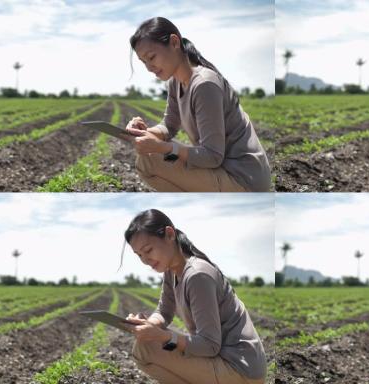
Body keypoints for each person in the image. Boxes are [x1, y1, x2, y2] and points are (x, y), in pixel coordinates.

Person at [126, 17, 271, 192]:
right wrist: (145, 132)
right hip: (221, 170)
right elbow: (169, 125)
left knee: (149, 160)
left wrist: (162, 147)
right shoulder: (175, 81)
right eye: (144, 62)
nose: (149, 67)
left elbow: (212, 156)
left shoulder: (204, 85)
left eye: (151, 57)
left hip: (244, 178)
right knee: (149, 156)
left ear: (174, 42)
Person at [123, 209, 266, 383]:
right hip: (225, 363)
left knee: (146, 348)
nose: (145, 260)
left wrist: (161, 336)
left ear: (169, 234)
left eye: (148, 250)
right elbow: (164, 311)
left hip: (240, 369)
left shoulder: (197, 276)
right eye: (139, 255)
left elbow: (209, 345)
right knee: (147, 342)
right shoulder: (171, 270)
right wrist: (148, 324)